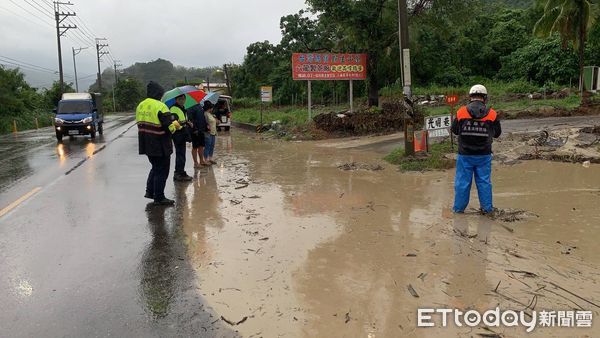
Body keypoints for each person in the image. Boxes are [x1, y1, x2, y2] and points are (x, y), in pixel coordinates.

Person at [451, 84, 502, 214]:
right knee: (484, 183)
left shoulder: (461, 112)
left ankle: (458, 210)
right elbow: (497, 133)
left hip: (465, 155)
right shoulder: (492, 114)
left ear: (470, 97)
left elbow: (455, 130)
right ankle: (487, 209)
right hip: (484, 155)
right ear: (484, 98)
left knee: (462, 183)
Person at [136, 81, 183, 206]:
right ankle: (159, 197)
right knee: (162, 170)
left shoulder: (140, 105)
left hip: (146, 144)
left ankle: (150, 192)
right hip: (160, 144)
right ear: (158, 93)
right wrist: (177, 125)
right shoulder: (161, 106)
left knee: (155, 168)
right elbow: (169, 127)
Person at [169, 95, 193, 181]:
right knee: (180, 154)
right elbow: (174, 122)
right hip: (178, 134)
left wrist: (187, 123)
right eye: (180, 99)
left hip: (183, 134)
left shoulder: (183, 108)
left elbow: (183, 120)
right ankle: (179, 173)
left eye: (183, 99)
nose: (182, 101)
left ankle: (181, 172)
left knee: (182, 154)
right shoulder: (173, 108)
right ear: (176, 99)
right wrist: (183, 124)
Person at [187, 103, 208, 167]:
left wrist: (206, 127)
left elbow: (203, 118)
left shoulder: (200, 106)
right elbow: (190, 119)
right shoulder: (190, 107)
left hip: (201, 130)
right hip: (195, 131)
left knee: (201, 145)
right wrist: (194, 129)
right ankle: (196, 163)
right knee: (195, 146)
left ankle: (201, 161)